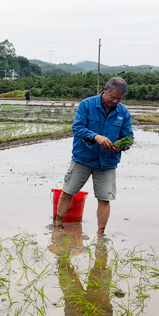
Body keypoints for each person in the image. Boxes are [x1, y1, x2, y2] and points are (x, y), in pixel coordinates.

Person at [54, 77, 133, 234]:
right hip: (83, 158)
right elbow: (77, 128)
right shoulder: (87, 105)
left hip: (108, 162)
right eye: (113, 97)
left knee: (104, 198)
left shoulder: (123, 112)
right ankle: (57, 226)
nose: (115, 101)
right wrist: (96, 136)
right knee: (68, 191)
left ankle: (101, 234)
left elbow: (128, 137)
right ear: (105, 90)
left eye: (119, 98)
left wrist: (120, 146)